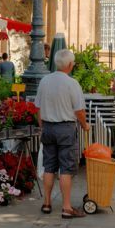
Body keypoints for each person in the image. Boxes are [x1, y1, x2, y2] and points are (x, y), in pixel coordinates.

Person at [35, 49, 90, 219]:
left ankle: (47, 203)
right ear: (70, 65)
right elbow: (79, 110)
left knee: (49, 166)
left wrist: (42, 125)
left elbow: (38, 108)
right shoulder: (72, 83)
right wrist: (85, 125)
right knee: (66, 167)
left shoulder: (44, 80)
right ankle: (66, 207)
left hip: (48, 128)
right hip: (65, 128)